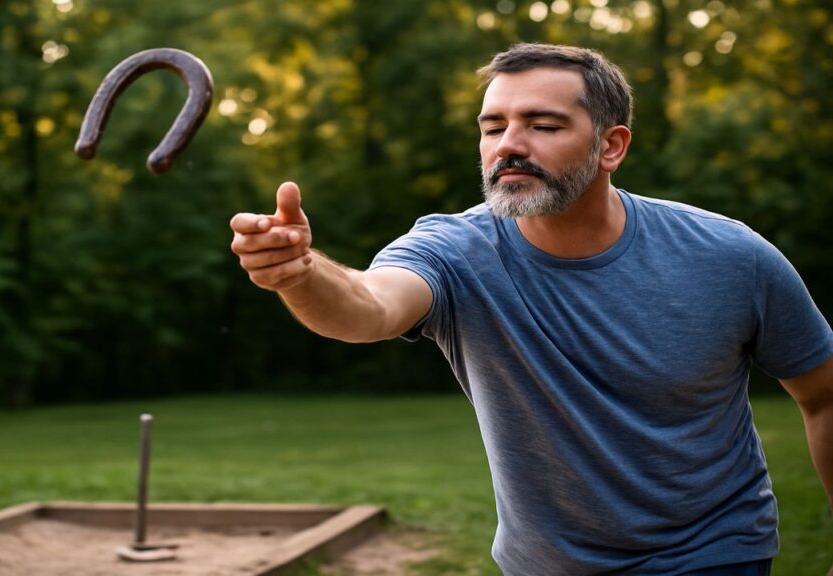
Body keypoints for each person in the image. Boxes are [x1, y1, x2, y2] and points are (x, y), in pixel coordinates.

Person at [229, 43, 833, 575]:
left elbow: (823, 394)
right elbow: (368, 308)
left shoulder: (729, 256)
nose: (509, 145)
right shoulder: (454, 250)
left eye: (542, 125)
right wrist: (302, 274)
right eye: (493, 127)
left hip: (708, 554)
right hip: (543, 564)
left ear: (611, 146)